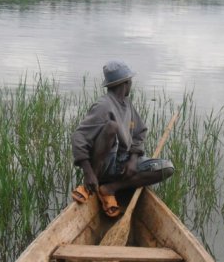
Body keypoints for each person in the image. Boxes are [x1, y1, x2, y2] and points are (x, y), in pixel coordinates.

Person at [71, 61, 175, 217]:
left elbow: (139, 133)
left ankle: (111, 188)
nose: (131, 83)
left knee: (167, 168)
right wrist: (88, 172)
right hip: (103, 165)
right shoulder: (103, 106)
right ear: (126, 82)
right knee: (111, 127)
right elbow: (78, 136)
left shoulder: (126, 104)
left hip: (123, 164)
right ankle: (92, 183)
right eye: (130, 81)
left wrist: (133, 159)